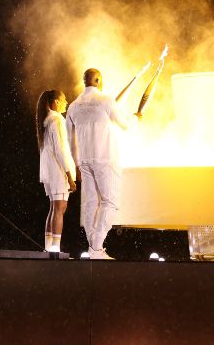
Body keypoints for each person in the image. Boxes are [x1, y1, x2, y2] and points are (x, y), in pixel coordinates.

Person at [67, 58, 166, 260]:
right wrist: (136, 118)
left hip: (85, 161)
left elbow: (71, 140)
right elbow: (125, 125)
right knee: (110, 202)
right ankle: (96, 248)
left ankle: (94, 247)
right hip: (106, 159)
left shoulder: (74, 106)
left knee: (90, 204)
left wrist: (76, 165)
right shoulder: (105, 100)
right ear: (98, 80)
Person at [36, 90, 77, 253]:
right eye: (64, 100)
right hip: (58, 171)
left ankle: (49, 248)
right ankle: (55, 249)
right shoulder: (57, 120)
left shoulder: (45, 121)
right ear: (56, 102)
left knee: (54, 208)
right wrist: (70, 176)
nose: (66, 102)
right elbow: (61, 150)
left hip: (49, 172)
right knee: (59, 209)